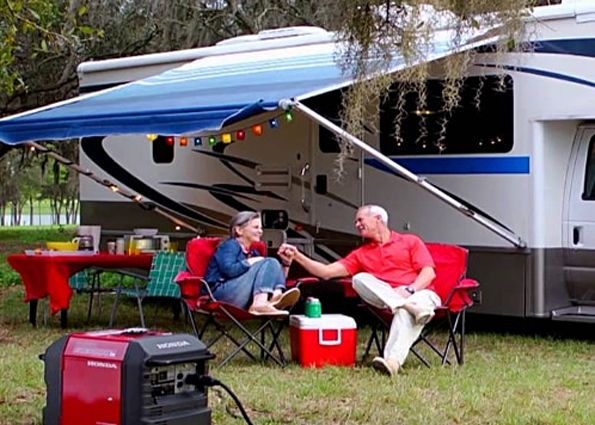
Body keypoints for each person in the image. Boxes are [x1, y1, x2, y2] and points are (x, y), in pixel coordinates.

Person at [278, 204, 439, 376]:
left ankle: (392, 362)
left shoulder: (409, 241)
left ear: (378, 219)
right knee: (358, 279)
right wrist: (297, 256)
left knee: (402, 312)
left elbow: (428, 273)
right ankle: (409, 308)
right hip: (389, 299)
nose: (357, 225)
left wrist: (410, 290)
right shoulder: (361, 254)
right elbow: (326, 273)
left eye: (360, 220)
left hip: (421, 294)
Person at [204, 211, 300, 316]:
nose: (260, 231)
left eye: (261, 228)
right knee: (269, 261)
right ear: (239, 230)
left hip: (241, 296)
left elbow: (273, 278)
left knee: (272, 261)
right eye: (256, 227)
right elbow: (229, 270)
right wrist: (249, 262)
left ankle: (276, 298)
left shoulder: (253, 252)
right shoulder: (230, 245)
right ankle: (259, 304)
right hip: (220, 294)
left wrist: (286, 264)